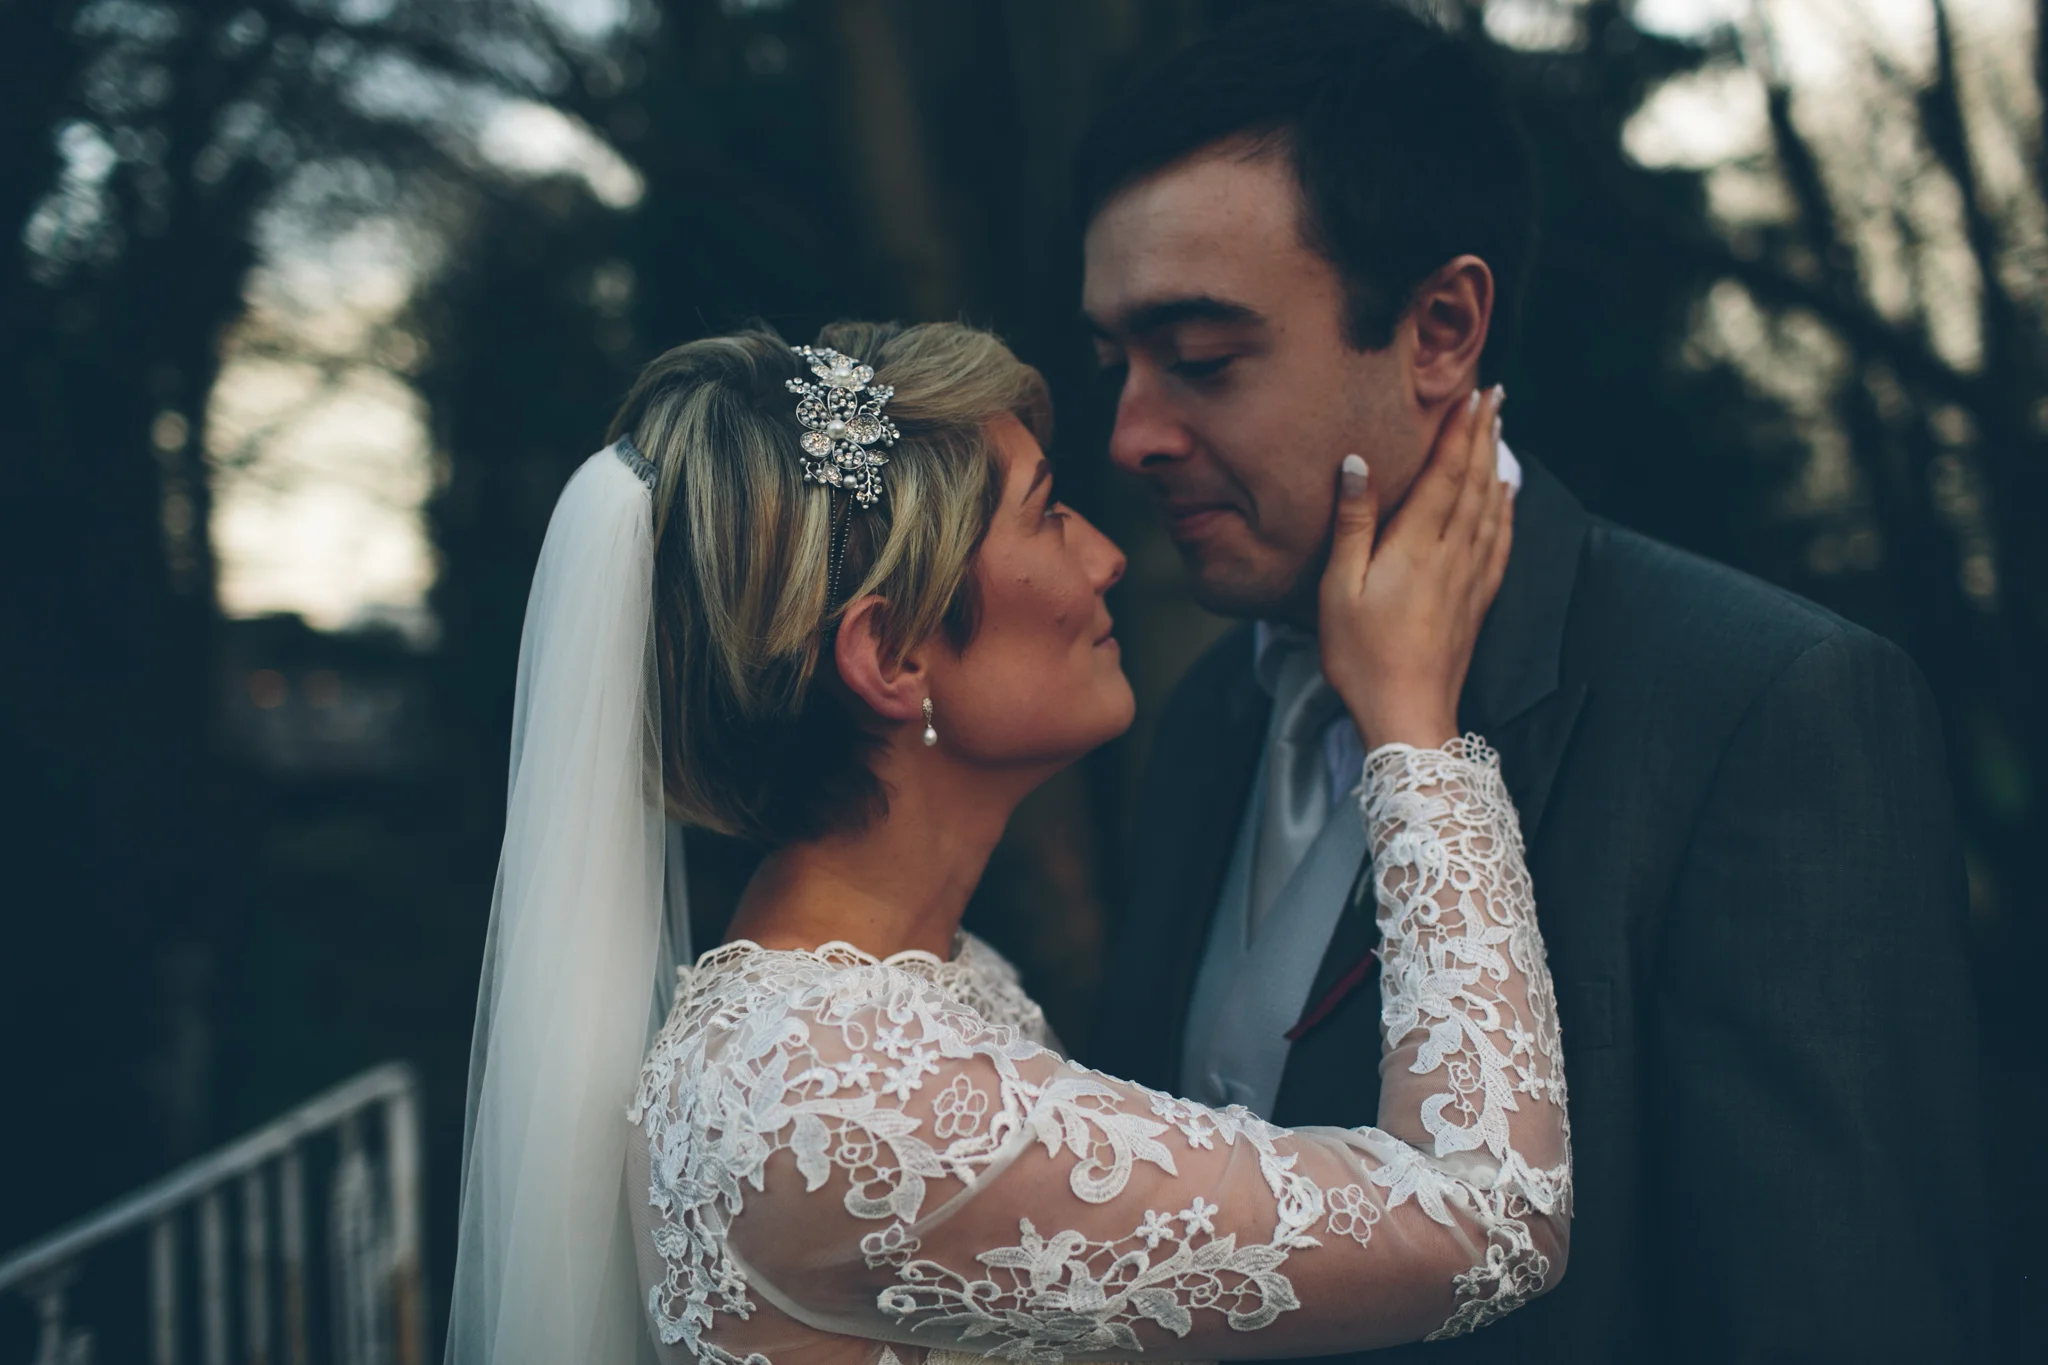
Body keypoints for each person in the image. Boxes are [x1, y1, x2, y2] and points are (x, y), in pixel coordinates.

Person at [1077, 3, 1985, 1362]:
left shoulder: (1767, 706)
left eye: (1202, 358)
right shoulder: (1205, 710)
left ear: (1442, 326)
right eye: (1117, 365)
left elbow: (1838, 1308)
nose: (1132, 432)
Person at [446, 319, 1562, 1365]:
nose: (1105, 557)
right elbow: (1485, 1217)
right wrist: (1411, 729)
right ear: (889, 657)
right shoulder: (844, 1100)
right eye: (1043, 513)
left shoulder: (899, 994)